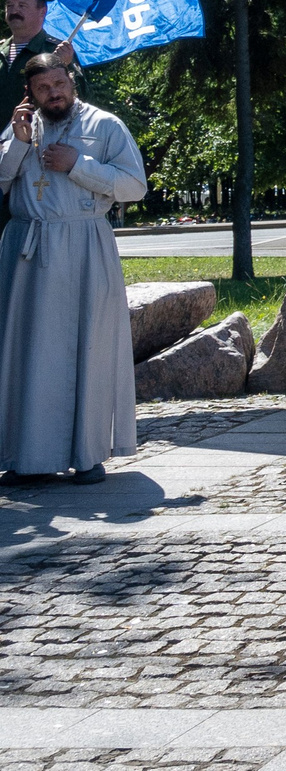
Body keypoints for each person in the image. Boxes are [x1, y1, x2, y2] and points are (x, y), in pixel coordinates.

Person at [0, 51, 145, 485]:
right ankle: (27, 457)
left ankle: (87, 454)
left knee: (89, 347)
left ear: (71, 81)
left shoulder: (105, 126)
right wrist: (19, 143)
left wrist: (78, 166)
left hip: (84, 245)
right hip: (27, 251)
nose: (53, 94)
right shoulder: (21, 128)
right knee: (26, 353)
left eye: (59, 84)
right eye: (43, 88)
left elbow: (134, 185)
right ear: (31, 90)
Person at [0, 0, 62, 231]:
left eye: (22, 6)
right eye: (10, 5)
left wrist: (66, 67)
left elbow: (79, 102)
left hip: (32, 159)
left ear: (42, 12)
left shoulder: (55, 52)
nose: (14, 11)